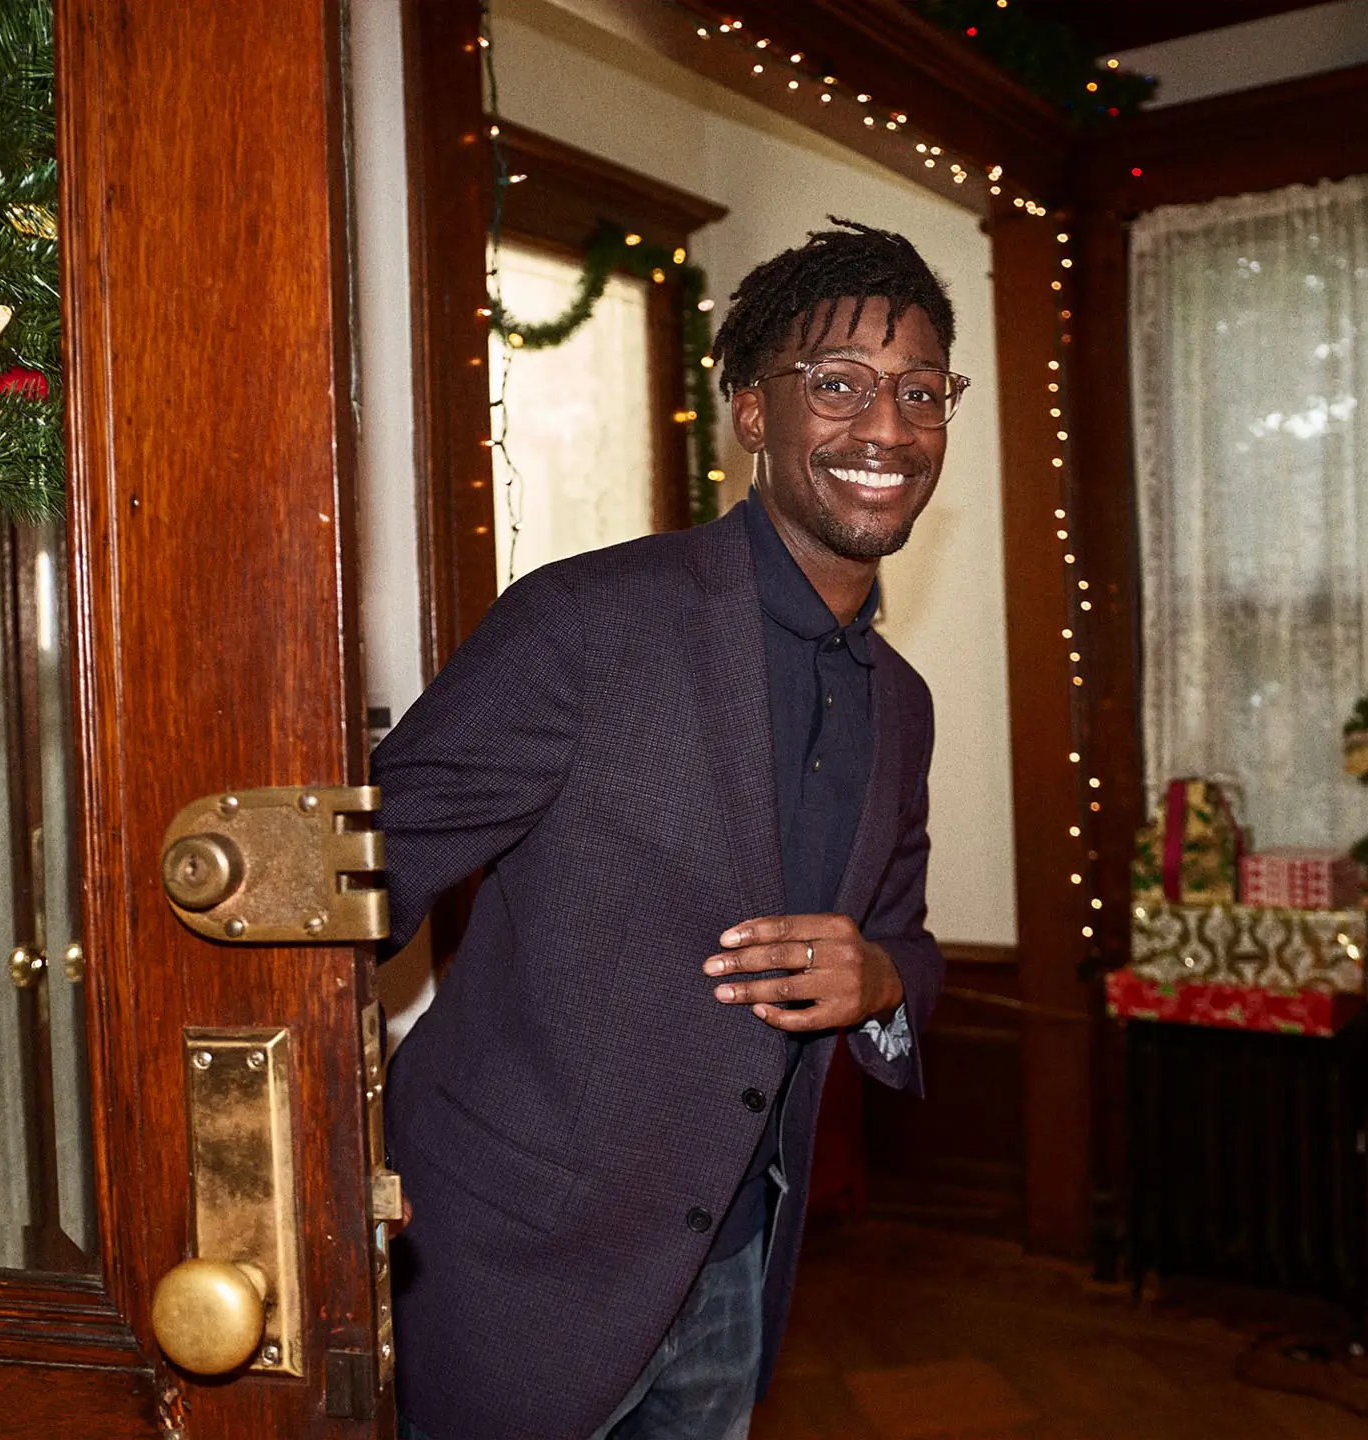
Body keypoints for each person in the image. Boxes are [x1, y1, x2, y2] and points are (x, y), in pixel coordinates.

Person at [375, 218, 964, 1440]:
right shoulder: (587, 622)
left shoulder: (902, 704)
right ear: (754, 413)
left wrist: (882, 975)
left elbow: (905, 939)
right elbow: (360, 882)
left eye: (921, 391)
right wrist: (303, 1176)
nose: (890, 429)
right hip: (506, 1270)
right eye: (840, 385)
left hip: (735, 1274)